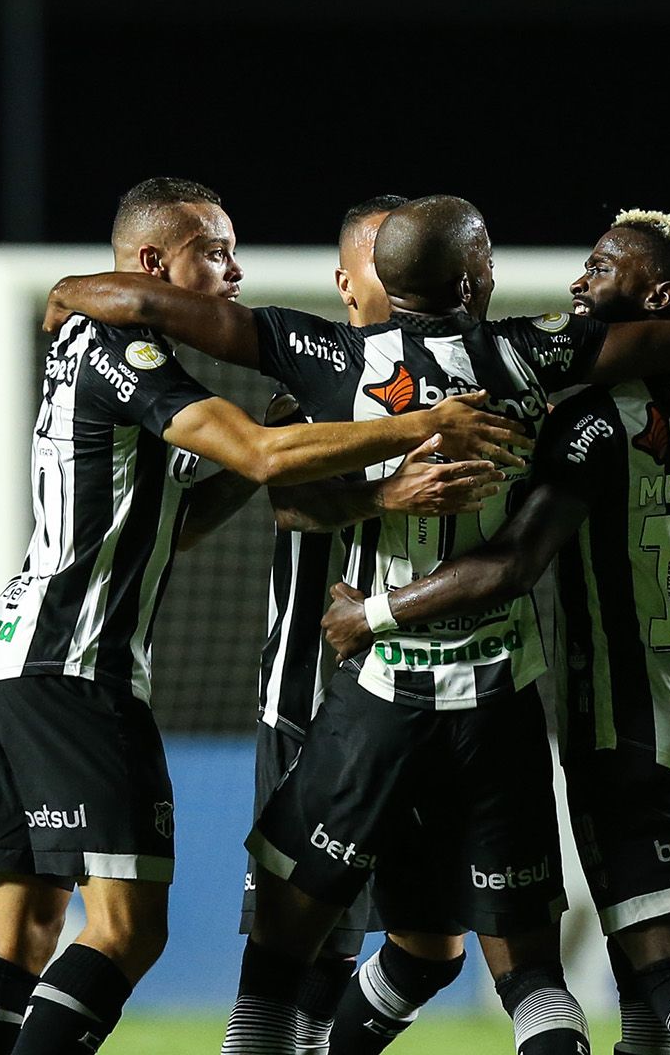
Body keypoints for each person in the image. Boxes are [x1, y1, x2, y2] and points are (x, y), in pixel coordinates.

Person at [47, 194, 670, 1055]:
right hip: (500, 697)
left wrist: (74, 288)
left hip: (374, 695)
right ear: (478, 280)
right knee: (532, 982)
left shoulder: (324, 358)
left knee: (277, 973)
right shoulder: (530, 353)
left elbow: (160, 311)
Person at [0, 178, 523, 1055]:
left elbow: (185, 519)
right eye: (214, 252)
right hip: (76, 664)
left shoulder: (109, 351)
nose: (235, 270)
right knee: (132, 932)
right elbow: (262, 457)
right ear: (151, 264)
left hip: (14, 658)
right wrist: (415, 433)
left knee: (23, 923)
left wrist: (272, 460)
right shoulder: (123, 353)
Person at [323, 209, 670, 1055]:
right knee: (642, 988)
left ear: (658, 294)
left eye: (602, 267)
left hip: (629, 725)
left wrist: (373, 612)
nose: (579, 283)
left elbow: (512, 563)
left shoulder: (592, 423)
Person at [237, 195, 508, 1053]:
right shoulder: (317, 381)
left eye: (365, 265)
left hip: (436, 698)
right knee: (306, 948)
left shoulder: (480, 381)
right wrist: (381, 493)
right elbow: (288, 500)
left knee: (432, 946)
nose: (351, 285)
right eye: (357, 266)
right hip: (319, 698)